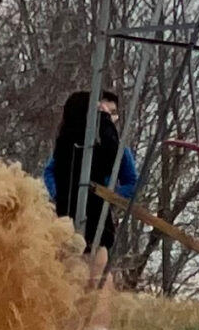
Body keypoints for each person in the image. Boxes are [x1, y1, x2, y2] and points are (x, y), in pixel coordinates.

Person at [47, 86, 139, 260]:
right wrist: (57, 193)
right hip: (68, 209)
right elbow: (51, 170)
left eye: (113, 113)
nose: (109, 117)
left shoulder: (119, 149)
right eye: (104, 111)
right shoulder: (71, 143)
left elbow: (132, 181)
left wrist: (110, 197)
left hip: (98, 212)